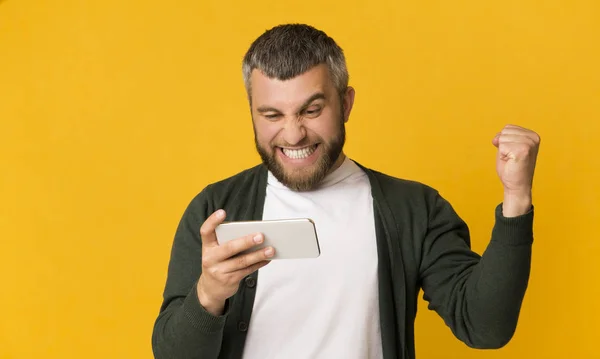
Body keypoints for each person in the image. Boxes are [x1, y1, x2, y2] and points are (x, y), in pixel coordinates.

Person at [151, 23, 540, 359]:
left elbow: (486, 327)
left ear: (346, 103)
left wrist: (517, 199)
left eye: (311, 110)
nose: (292, 133)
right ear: (252, 111)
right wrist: (208, 296)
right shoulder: (215, 208)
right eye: (272, 115)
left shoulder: (414, 209)